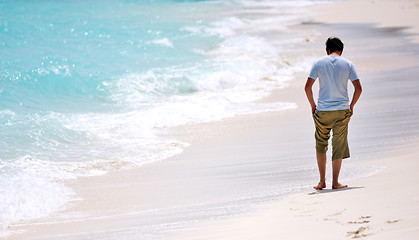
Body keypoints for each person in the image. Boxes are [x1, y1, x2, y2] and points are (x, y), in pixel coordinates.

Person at [304, 37, 362, 190]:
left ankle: (322, 181)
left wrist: (312, 105)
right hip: (342, 110)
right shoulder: (348, 64)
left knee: (321, 144)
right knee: (338, 145)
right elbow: (359, 89)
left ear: (327, 50)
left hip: (322, 110)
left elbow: (307, 87)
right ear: (341, 51)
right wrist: (351, 106)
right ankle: (335, 182)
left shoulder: (318, 63)